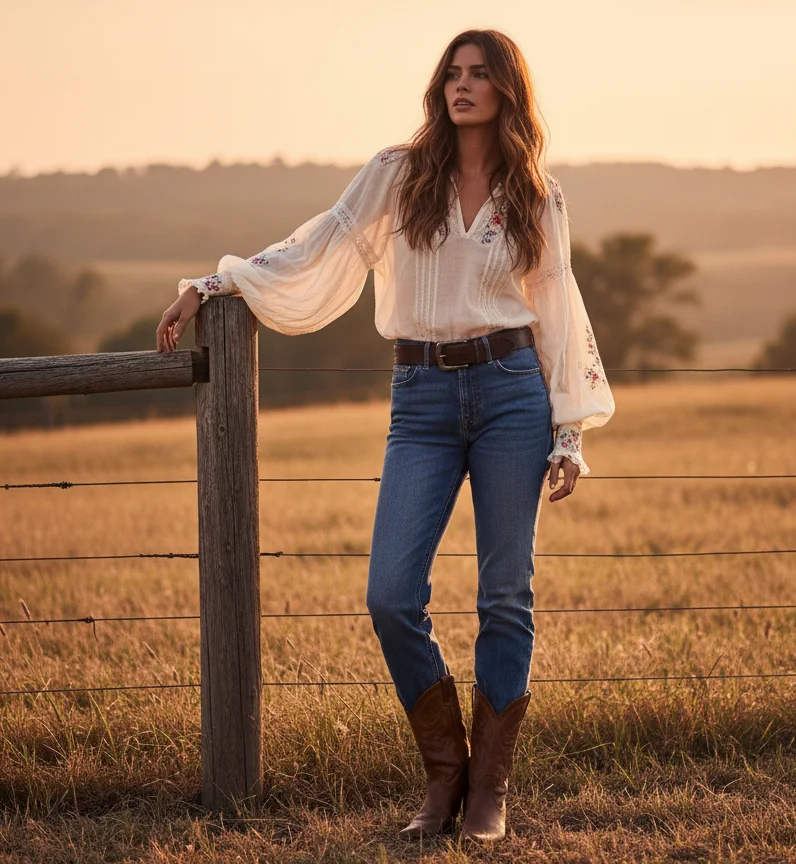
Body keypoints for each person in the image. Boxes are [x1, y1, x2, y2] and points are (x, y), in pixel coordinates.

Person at [156, 28, 615, 843]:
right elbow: (319, 245)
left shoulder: (537, 194)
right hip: (422, 397)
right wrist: (215, 281)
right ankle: (445, 773)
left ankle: (486, 795)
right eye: (452, 74)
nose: (461, 87)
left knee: (506, 594)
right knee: (390, 595)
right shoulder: (399, 175)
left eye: (479, 75)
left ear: (509, 90)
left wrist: (568, 430)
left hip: (513, 392)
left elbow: (555, 308)